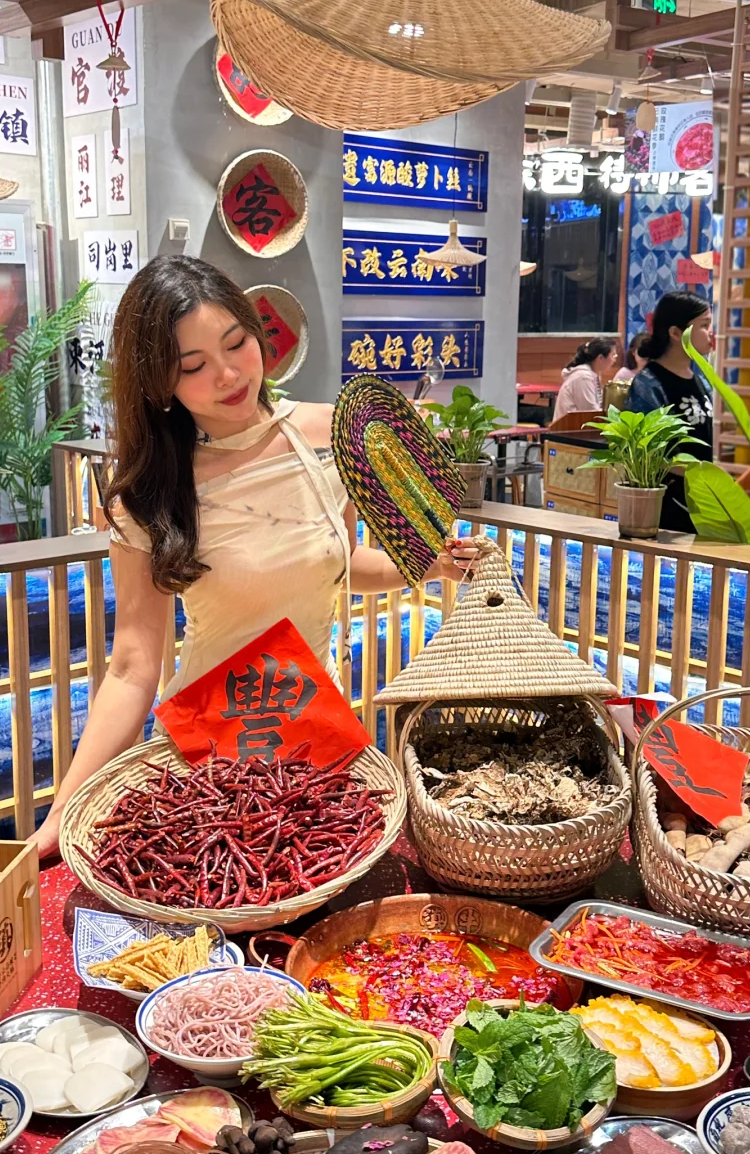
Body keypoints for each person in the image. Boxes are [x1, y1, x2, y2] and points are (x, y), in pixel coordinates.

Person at [32, 257, 475, 858]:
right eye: (193, 366)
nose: (228, 373)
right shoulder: (150, 493)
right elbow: (134, 666)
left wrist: (433, 562)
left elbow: (342, 564)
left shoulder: (329, 437)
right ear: (160, 384)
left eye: (236, 342)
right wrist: (62, 810)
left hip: (319, 745)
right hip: (207, 758)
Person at [627, 291, 715, 533]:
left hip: (707, 501)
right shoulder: (649, 384)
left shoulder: (701, 381)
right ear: (675, 333)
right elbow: (649, 454)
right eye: (704, 325)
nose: (711, 333)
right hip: (671, 508)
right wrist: (700, 474)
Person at [551, 337, 620, 421]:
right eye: (613, 355)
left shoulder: (593, 374)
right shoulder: (583, 377)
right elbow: (590, 413)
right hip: (568, 430)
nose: (614, 360)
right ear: (600, 358)